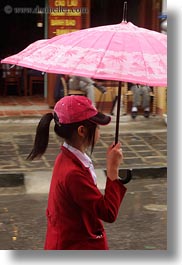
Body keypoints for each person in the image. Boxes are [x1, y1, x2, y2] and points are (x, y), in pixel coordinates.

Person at [27, 95, 127, 250]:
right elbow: (108, 212)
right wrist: (113, 169)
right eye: (97, 126)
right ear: (82, 130)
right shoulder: (73, 173)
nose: (99, 130)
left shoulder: (67, 157)